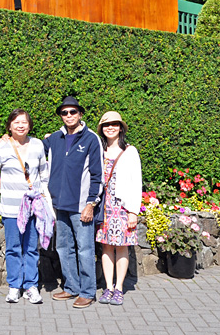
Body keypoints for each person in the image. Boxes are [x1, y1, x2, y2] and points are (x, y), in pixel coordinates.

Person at [42, 96, 103, 308]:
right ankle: (71, 287)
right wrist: (9, 139)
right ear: (61, 115)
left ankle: (87, 291)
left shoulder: (91, 139)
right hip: (60, 205)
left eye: (73, 112)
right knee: (63, 248)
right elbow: (30, 148)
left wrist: (90, 204)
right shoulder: (54, 139)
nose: (69, 116)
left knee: (85, 249)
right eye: (65, 113)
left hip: (81, 207)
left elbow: (97, 175)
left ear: (80, 114)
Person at [0, 108, 49, 305]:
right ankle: (14, 287)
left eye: (24, 122)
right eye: (16, 122)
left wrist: (43, 196)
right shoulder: (2, 147)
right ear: (10, 126)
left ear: (29, 125)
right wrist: (6, 187)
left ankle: (31, 286)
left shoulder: (38, 145)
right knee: (13, 248)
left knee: (31, 247)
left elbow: (44, 173)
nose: (21, 125)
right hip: (11, 208)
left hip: (33, 208)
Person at [95, 111, 142, 306]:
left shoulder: (130, 151)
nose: (111, 127)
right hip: (103, 206)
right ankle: (108, 287)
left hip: (122, 206)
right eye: (106, 125)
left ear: (121, 127)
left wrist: (133, 211)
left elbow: (136, 181)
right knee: (106, 246)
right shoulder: (98, 150)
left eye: (115, 124)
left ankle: (119, 288)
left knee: (122, 247)